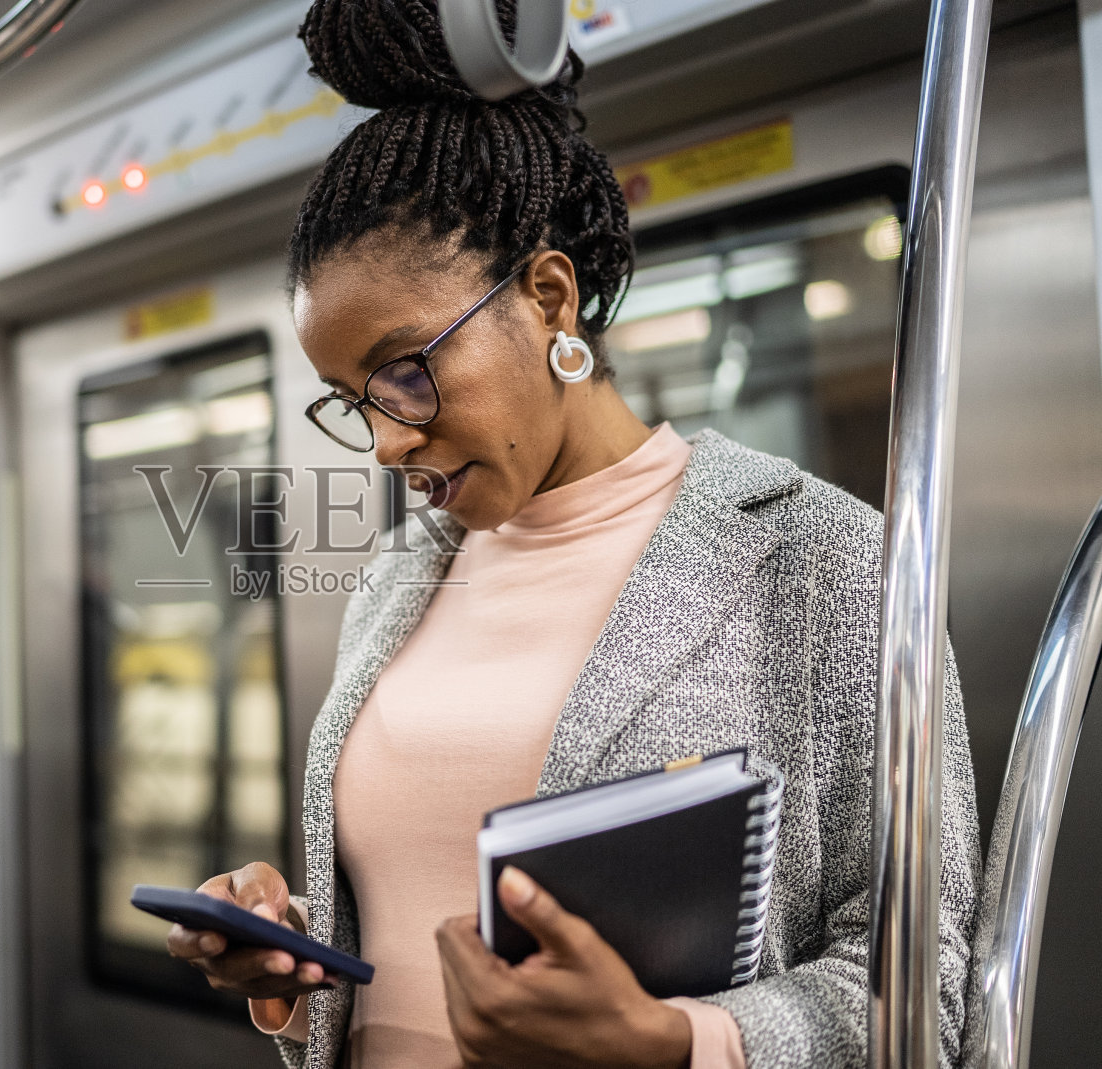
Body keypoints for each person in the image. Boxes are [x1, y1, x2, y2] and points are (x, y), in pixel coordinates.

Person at [166, 3, 980, 1068]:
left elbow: (921, 985)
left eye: (406, 373)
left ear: (548, 298)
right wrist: (297, 952)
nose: (385, 441)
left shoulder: (822, 560)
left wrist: (674, 1041)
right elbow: (417, 924)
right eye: (353, 401)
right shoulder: (401, 578)